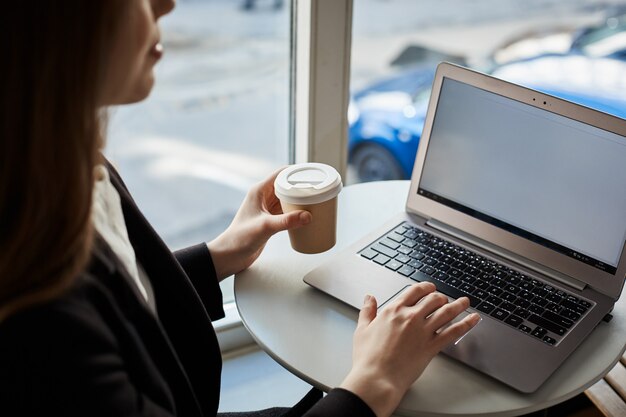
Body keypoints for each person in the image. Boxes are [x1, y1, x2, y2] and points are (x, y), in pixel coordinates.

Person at [0, 1, 480, 416]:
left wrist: (219, 256)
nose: (167, 5)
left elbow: (123, 304)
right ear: (58, 26)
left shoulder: (63, 169)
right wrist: (374, 383)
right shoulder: (39, 316)